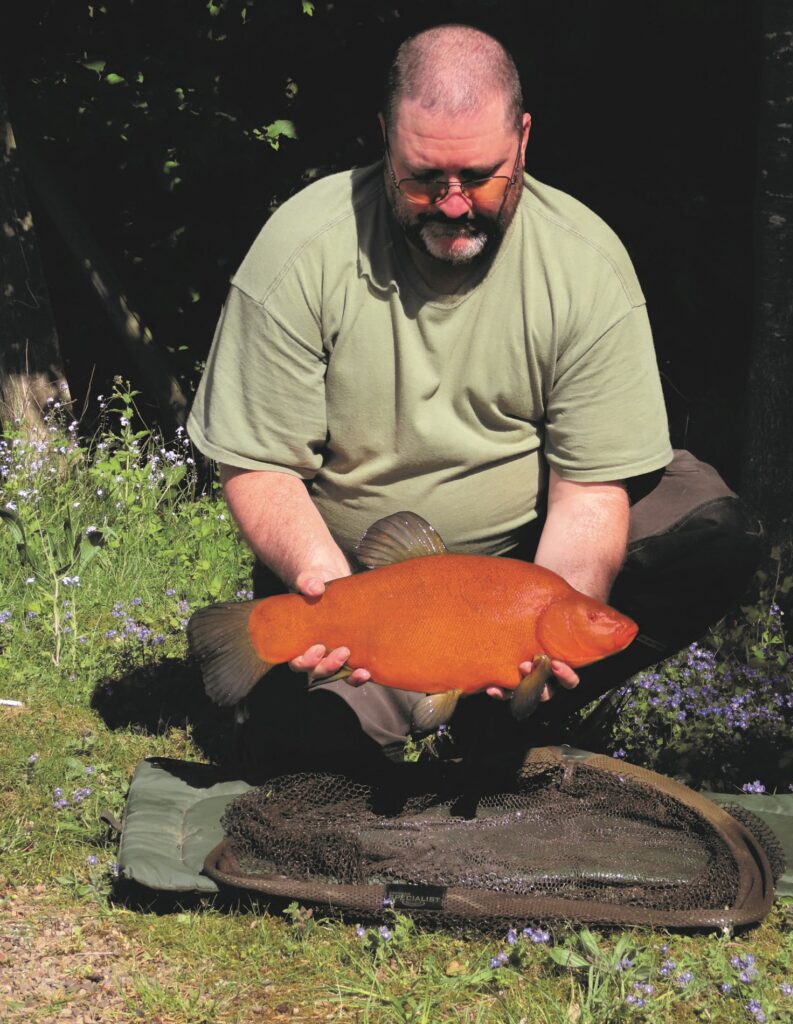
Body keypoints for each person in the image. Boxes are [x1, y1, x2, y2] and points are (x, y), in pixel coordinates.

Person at [186, 24, 759, 778]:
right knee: (308, 758)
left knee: (714, 526)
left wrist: (547, 639)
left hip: (520, 565)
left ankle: (499, 714)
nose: (453, 205)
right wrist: (324, 588)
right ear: (386, 138)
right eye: (424, 177)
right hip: (362, 576)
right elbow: (257, 466)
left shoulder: (584, 267)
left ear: (522, 140)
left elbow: (590, 494)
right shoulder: (302, 249)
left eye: (480, 176)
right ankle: (359, 691)